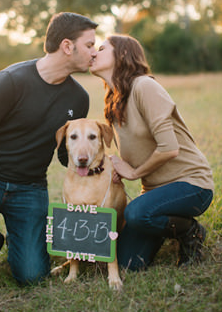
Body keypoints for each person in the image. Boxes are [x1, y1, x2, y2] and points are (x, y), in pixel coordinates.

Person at [0, 12, 99, 285]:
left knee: (32, 277)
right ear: (68, 46)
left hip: (30, 188)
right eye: (90, 45)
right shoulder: (11, 80)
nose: (94, 52)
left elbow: (64, 153)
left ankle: (20, 240)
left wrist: (94, 163)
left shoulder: (78, 98)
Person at [90, 34, 214, 270]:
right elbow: (132, 151)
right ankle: (160, 222)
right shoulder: (113, 101)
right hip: (155, 194)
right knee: (128, 263)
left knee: (136, 213)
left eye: (102, 48)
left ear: (123, 55)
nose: (94, 53)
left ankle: (190, 231)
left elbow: (169, 148)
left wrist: (134, 173)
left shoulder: (144, 86)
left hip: (191, 185)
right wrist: (114, 167)